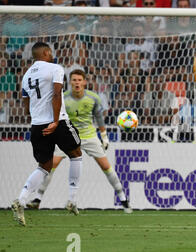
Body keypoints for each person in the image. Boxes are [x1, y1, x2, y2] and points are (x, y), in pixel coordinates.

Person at [27, 69, 132, 214]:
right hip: (68, 135)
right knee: (51, 164)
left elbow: (99, 117)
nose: (77, 82)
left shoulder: (93, 98)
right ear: (70, 82)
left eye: (79, 80)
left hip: (89, 136)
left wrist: (104, 136)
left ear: (84, 82)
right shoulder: (63, 98)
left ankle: (123, 199)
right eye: (74, 80)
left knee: (106, 166)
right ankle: (37, 199)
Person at [11, 42, 83, 226]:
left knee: (44, 166)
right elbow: (57, 94)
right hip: (57, 121)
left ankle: (22, 199)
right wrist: (56, 121)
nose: (53, 55)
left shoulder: (26, 76)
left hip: (37, 125)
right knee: (76, 154)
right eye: (51, 52)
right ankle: (72, 200)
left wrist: (39, 119)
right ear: (46, 52)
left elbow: (26, 105)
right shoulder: (55, 68)